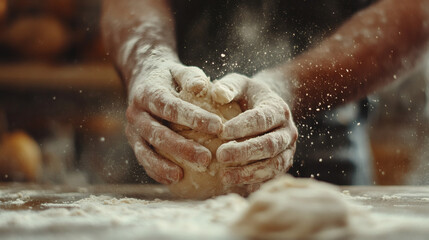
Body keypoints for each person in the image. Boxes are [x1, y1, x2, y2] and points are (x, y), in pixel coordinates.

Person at [101, 0, 429, 190]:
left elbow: (417, 11)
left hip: (326, 172)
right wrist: (148, 60)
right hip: (166, 157)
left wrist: (289, 87)